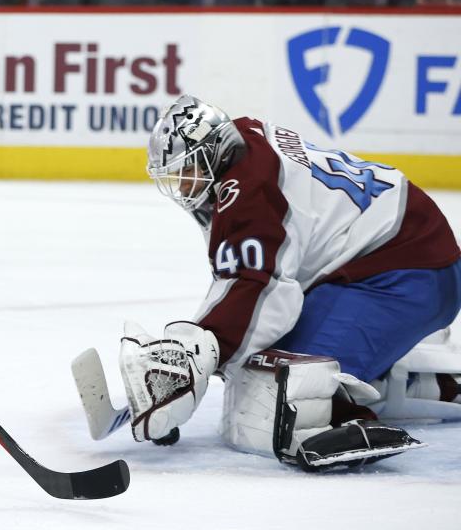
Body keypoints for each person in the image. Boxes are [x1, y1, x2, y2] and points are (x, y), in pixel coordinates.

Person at [115, 94, 460, 470]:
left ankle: (353, 412)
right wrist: (207, 349)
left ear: (212, 151)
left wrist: (196, 357)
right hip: (389, 258)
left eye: (187, 171)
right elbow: (243, 282)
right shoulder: (243, 143)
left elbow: (264, 291)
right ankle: (437, 382)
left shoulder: (248, 192)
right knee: (258, 364)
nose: (182, 186)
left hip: (404, 271)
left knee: (288, 388)